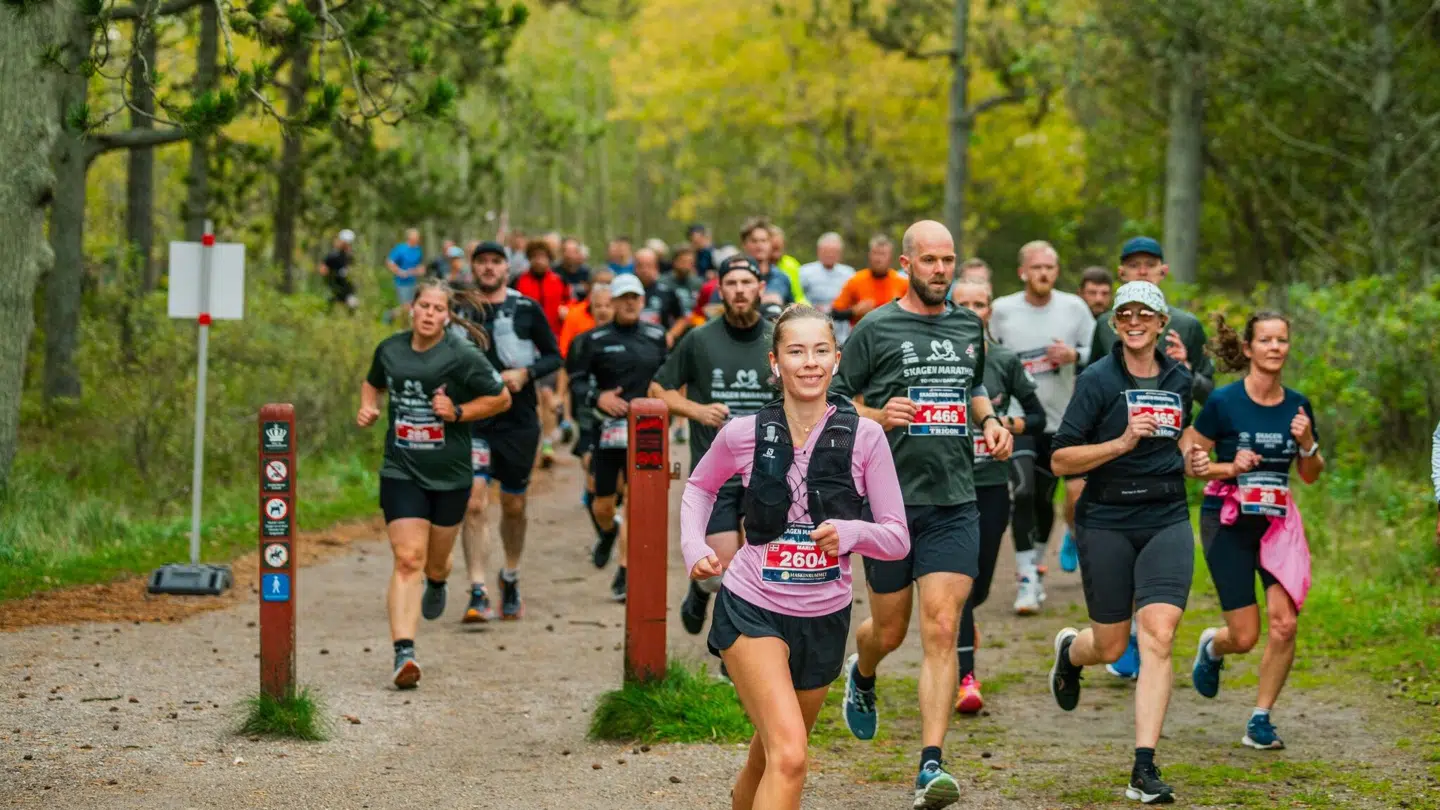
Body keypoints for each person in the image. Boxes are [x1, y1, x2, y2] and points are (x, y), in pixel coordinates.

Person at [682, 304, 908, 810]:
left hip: (824, 618)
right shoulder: (744, 432)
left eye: (820, 351)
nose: (809, 362)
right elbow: (699, 487)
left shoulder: (866, 437)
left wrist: (851, 532)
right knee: (791, 758)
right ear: (775, 362)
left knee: (769, 759)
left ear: (836, 360)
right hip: (752, 606)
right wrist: (695, 548)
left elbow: (897, 537)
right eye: (796, 351)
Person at [832, 220, 1013, 809]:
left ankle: (929, 767)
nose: (941, 269)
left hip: (956, 499)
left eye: (949, 259)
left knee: (941, 627)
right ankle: (862, 672)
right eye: (930, 260)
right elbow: (836, 400)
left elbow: (975, 386)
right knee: (889, 631)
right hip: (889, 505)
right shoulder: (876, 327)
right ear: (906, 264)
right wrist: (877, 416)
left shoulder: (968, 324)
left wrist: (990, 422)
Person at [1045, 280, 1206, 806]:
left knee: (1158, 634)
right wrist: (1120, 442)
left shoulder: (1180, 378)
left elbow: (1181, 439)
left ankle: (1143, 766)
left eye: (1145, 313)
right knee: (1111, 645)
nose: (1134, 321)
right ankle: (1072, 653)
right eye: (1125, 314)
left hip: (1165, 516)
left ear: (1163, 324)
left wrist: (1193, 460)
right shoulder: (1097, 379)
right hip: (1107, 517)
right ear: (1115, 323)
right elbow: (1060, 459)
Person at [357, 278, 513, 688]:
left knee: (436, 561)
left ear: (447, 316)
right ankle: (403, 654)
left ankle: (440, 580)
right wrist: (368, 407)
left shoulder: (461, 354)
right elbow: (372, 381)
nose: (429, 314)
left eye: (437, 309)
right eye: (423, 306)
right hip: (401, 468)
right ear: (413, 309)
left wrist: (458, 411)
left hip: (450, 474)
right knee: (408, 557)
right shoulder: (390, 349)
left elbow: (500, 398)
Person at [1184, 312, 1323, 751]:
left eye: (1282, 340)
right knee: (1244, 636)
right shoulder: (1224, 403)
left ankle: (1261, 718)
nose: (1275, 347)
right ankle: (1213, 647)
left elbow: (1311, 474)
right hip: (1226, 519)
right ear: (1248, 349)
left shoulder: (1298, 405)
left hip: (1277, 524)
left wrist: (1308, 445)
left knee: (1284, 625)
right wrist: (1230, 466)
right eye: (1265, 340)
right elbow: (1191, 461)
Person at [1090, 236, 1215, 680]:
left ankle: (1147, 640)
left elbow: (1206, 392)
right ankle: (1121, 640)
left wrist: (1182, 366)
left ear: (1163, 271)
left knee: (1157, 555)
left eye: (1150, 264)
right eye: (1133, 264)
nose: (1142, 270)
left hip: (1168, 456)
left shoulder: (1188, 324)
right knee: (1120, 548)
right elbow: (1095, 377)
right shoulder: (1110, 325)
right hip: (1115, 463)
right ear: (1122, 272)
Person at [651, 255, 775, 636]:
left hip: (768, 470)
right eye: (731, 283)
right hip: (717, 473)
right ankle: (700, 590)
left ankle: (733, 651)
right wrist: (698, 410)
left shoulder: (778, 338)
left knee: (758, 565)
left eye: (746, 282)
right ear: (720, 291)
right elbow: (659, 390)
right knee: (719, 570)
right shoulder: (699, 338)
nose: (739, 290)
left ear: (759, 289)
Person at [448, 243, 563, 623]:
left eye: (495, 262)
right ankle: (477, 589)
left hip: (517, 420)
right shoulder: (459, 309)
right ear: (473, 267)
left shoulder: (526, 308)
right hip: (474, 418)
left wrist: (526, 373)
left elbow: (554, 355)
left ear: (506, 269)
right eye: (481, 262)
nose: (488, 268)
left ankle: (509, 576)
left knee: (514, 505)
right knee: (474, 501)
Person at [949, 279, 1046, 714]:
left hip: (990, 484)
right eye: (963, 303)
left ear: (991, 310)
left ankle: (966, 626)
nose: (972, 311)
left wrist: (1004, 424)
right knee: (961, 585)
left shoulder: (1004, 360)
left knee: (980, 585)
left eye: (980, 303)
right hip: (947, 487)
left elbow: (1040, 416)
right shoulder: (940, 362)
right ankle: (965, 679)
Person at [988, 240, 1095, 614]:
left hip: (1061, 418)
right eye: (1037, 267)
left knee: (1047, 498)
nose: (1044, 273)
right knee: (1024, 491)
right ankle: (1025, 577)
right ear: (1023, 272)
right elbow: (987, 355)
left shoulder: (1074, 308)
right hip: (1018, 418)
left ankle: (1035, 562)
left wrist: (1073, 355)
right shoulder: (1002, 310)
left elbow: (1097, 350)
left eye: (1050, 267)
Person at [566, 273, 669, 602]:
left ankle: (626, 569)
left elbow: (667, 378)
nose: (628, 303)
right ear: (611, 302)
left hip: (648, 431)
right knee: (603, 505)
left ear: (641, 301)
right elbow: (577, 382)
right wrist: (599, 398)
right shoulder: (593, 339)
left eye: (634, 298)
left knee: (637, 501)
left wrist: (670, 410)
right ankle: (608, 534)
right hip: (607, 429)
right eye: (622, 297)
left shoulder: (656, 336)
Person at [512, 240, 572, 468]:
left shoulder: (559, 281)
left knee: (548, 393)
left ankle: (547, 441)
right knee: (535, 398)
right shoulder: (519, 281)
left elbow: (570, 304)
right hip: (524, 348)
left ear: (549, 258)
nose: (539, 260)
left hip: (551, 347)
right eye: (535, 256)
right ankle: (538, 441)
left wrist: (566, 310)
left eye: (543, 256)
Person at [829, 235, 908, 329]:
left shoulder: (902, 283)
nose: (878, 259)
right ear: (869, 255)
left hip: (893, 334)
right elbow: (833, 313)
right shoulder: (856, 280)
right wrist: (854, 312)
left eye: (882, 254)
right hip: (863, 335)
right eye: (875, 253)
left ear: (890, 258)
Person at [798, 232, 856, 343]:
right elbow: (798, 296)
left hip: (841, 330)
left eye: (833, 251)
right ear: (819, 251)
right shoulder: (805, 272)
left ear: (840, 254)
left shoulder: (849, 273)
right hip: (812, 325)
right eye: (826, 251)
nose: (830, 255)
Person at [738, 218, 796, 319]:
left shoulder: (781, 277)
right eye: (754, 241)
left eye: (764, 240)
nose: (759, 245)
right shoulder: (734, 276)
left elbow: (792, 311)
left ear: (770, 244)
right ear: (744, 244)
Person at [632, 247, 686, 342]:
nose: (644, 270)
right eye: (640, 265)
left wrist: (671, 335)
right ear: (634, 267)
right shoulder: (625, 294)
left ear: (656, 267)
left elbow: (681, 319)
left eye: (648, 265)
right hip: (633, 341)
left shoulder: (666, 291)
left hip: (658, 343)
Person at [385, 228, 425, 321]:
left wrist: (420, 270)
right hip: (401, 282)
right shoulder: (400, 248)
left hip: (413, 282)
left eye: (418, 237)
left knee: (411, 305)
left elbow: (419, 265)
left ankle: (402, 323)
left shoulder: (418, 250)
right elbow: (389, 262)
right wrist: (400, 272)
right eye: (415, 237)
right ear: (409, 238)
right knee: (406, 306)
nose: (417, 239)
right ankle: (389, 316)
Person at [318, 229, 359, 313]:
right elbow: (322, 269)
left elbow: (354, 270)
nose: (347, 245)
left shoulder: (350, 256)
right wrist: (330, 277)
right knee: (329, 306)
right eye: (345, 243)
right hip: (334, 288)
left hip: (347, 289)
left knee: (353, 306)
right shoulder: (333, 255)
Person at [768, 224, 807, 306]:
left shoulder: (791, 264)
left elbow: (798, 295)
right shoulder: (761, 265)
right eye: (774, 248)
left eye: (780, 248)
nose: (777, 253)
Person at [557, 236, 592, 302]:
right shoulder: (554, 272)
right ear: (561, 252)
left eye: (574, 251)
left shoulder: (587, 273)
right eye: (567, 251)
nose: (570, 255)